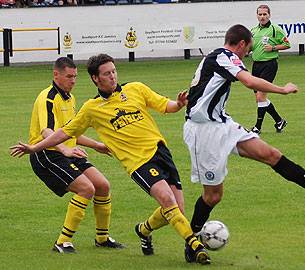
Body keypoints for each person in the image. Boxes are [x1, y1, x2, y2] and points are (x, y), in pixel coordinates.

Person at [10, 54, 211, 265]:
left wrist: (178, 104)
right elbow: (58, 132)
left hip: (161, 153)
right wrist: (34, 148)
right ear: (96, 78)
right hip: (132, 162)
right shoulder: (85, 106)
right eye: (107, 73)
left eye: (114, 71)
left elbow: (165, 105)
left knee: (167, 205)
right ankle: (195, 245)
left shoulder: (135, 88)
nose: (113, 76)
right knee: (157, 199)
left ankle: (135, 232)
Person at [183, 24, 305, 239]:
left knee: (271, 154)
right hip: (203, 131)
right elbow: (248, 81)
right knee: (213, 196)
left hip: (222, 124)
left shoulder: (219, 57)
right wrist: (282, 89)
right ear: (242, 44)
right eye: (248, 49)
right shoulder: (223, 55)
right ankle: (191, 239)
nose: (248, 54)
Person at [14, 57, 124, 253]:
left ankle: (102, 238)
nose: (73, 81)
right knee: (86, 189)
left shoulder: (70, 98)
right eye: (68, 76)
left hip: (67, 152)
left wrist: (97, 145)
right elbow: (47, 132)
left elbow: (71, 132)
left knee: (102, 186)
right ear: (56, 75)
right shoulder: (47, 97)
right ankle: (62, 242)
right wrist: (64, 149)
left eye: (75, 77)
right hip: (46, 153)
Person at [250, 4, 291, 134]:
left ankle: (257, 127)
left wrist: (273, 48)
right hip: (256, 65)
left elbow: (287, 44)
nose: (262, 17)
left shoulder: (275, 29)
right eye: (260, 14)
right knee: (259, 98)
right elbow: (251, 47)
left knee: (261, 96)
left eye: (264, 14)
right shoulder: (253, 31)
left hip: (269, 65)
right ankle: (279, 121)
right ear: (257, 15)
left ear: (269, 15)